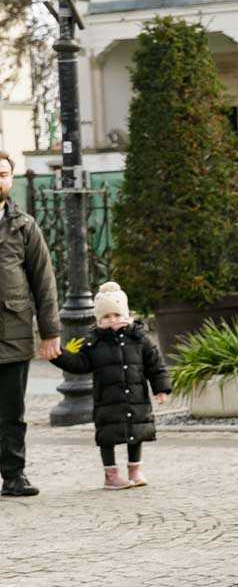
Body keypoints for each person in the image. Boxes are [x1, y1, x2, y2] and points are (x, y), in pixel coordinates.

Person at [50, 282, 170, 490]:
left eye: (116, 314)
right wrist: (58, 355)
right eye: (106, 316)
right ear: (98, 319)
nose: (112, 320)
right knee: (107, 435)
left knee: (136, 433)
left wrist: (161, 388)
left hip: (135, 396)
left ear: (126, 314)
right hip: (107, 399)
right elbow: (80, 364)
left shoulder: (139, 338)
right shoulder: (94, 342)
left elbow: (155, 364)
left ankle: (135, 470)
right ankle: (111, 474)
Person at [0, 150, 57, 498]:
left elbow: (43, 281)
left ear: (11, 178)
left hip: (14, 332)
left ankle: (13, 475)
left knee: (11, 412)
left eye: (2, 174)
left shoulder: (24, 226)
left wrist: (50, 332)